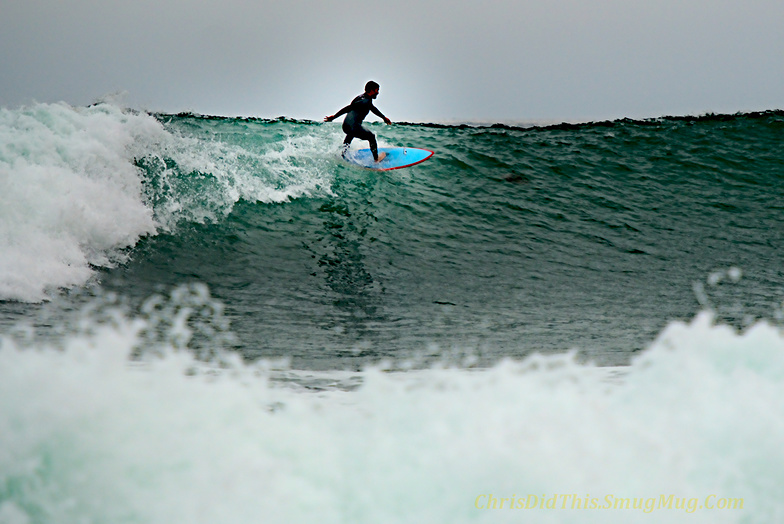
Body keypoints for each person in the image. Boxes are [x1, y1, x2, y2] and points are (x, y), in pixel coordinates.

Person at [324, 81, 391, 162]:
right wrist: (334, 117)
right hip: (353, 127)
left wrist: (383, 117)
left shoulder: (361, 98)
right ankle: (376, 160)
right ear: (372, 90)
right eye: (377, 90)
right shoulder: (364, 101)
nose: (378, 92)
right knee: (371, 137)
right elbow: (348, 108)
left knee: (350, 134)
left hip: (346, 126)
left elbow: (372, 108)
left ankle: (342, 153)